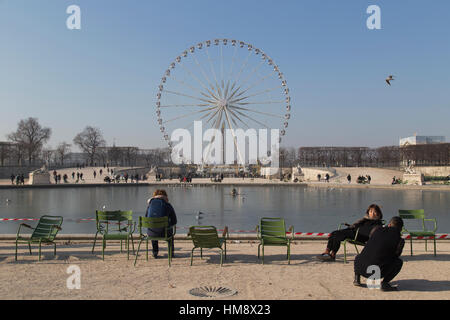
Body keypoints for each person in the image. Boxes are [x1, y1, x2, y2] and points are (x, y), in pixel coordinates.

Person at [354, 216, 405, 291]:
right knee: (398, 262)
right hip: (377, 272)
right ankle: (385, 283)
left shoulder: (377, 229)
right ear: (400, 229)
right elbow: (396, 256)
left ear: (389, 224)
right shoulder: (400, 240)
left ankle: (356, 278)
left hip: (361, 268)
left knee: (360, 256)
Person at [317, 204, 384, 261]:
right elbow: (355, 226)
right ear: (368, 212)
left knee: (338, 234)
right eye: (370, 211)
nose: (372, 213)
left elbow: (372, 233)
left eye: (374, 212)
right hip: (353, 232)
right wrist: (352, 226)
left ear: (378, 213)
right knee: (334, 233)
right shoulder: (364, 220)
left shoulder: (377, 223)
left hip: (360, 236)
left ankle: (333, 254)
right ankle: (327, 251)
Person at [146, 189, 177, 259]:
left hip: (151, 233)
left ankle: (155, 252)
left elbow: (146, 218)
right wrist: (169, 224)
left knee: (153, 227)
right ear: (165, 196)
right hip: (165, 232)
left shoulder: (150, 205)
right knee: (170, 237)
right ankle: (171, 253)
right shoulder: (168, 205)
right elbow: (174, 221)